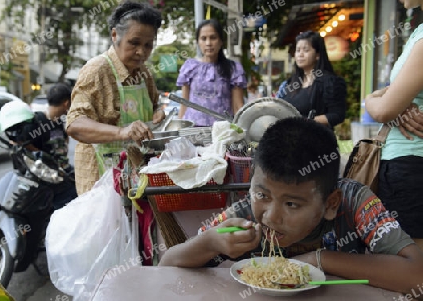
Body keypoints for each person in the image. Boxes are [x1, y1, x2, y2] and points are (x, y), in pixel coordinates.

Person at [159, 117, 423, 295]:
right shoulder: (247, 214)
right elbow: (166, 266)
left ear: (330, 204)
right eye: (262, 195)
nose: (271, 217)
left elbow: (416, 275)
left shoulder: (353, 202)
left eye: (292, 204)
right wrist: (210, 242)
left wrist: (320, 260)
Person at [66, 1, 164, 195]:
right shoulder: (97, 70)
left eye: (148, 45)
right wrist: (122, 132)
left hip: (136, 176)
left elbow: (155, 105)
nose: (141, 52)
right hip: (101, 181)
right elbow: (74, 124)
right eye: (134, 43)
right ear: (115, 35)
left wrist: (158, 112)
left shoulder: (143, 71)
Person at [365, 0, 423, 251]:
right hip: (408, 162)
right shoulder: (418, 32)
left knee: (409, 262)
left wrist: (371, 99)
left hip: (410, 163)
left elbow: (385, 109)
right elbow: (391, 99)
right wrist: (393, 102)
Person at [0, 101, 76, 209]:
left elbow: (61, 161)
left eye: (20, 128)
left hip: (56, 178)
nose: (17, 134)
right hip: (33, 181)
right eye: (12, 131)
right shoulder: (15, 139)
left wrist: (33, 150)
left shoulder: (50, 127)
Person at [176, 19, 247, 126]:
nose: (208, 43)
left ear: (221, 41)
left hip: (222, 132)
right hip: (191, 131)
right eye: (203, 39)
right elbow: (184, 103)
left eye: (213, 38)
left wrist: (242, 130)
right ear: (198, 42)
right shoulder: (189, 67)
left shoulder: (233, 69)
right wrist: (178, 128)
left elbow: (238, 106)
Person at [276, 31, 346, 127]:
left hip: (315, 138)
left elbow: (337, 115)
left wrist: (304, 121)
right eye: (298, 50)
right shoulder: (288, 84)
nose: (300, 54)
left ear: (317, 55)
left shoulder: (330, 82)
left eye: (306, 50)